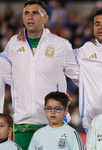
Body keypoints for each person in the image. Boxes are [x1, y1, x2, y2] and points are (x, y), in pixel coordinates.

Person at [1, 0, 79, 149]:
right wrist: (19, 85)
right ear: (23, 18)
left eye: (35, 13)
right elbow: (4, 71)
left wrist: (73, 98)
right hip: (22, 124)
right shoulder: (13, 44)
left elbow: (79, 77)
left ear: (45, 18)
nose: (30, 16)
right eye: (26, 13)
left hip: (52, 121)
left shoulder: (60, 45)